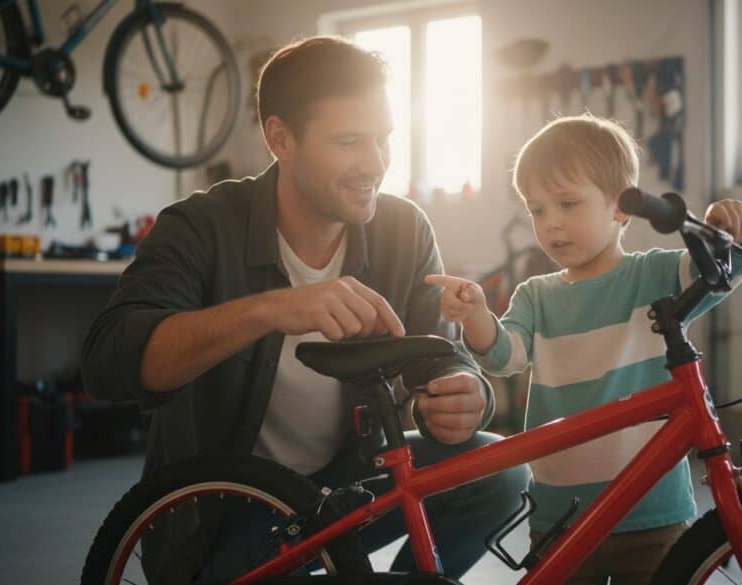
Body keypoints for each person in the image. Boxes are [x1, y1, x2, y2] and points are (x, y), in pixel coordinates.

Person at [81, 35, 528, 582]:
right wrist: (270, 309)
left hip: (341, 482)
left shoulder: (402, 229)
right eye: (348, 141)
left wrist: (465, 393)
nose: (375, 164)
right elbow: (110, 362)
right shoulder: (199, 226)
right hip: (223, 510)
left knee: (499, 471)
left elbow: (439, 358)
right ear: (280, 138)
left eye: (383, 139)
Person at [426, 114, 742, 584]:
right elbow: (503, 356)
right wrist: (475, 317)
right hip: (561, 516)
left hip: (653, 511)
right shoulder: (536, 294)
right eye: (537, 210)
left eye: (568, 204)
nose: (551, 225)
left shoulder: (653, 276)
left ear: (620, 207)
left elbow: (726, 266)